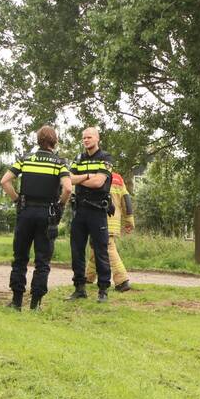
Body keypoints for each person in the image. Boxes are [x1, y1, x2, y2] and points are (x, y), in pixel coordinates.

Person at [1, 125, 72, 311]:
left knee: (20, 258)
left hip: (25, 212)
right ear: (54, 141)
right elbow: (68, 188)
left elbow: (4, 181)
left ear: (38, 140)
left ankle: (16, 301)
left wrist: (17, 199)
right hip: (47, 215)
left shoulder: (25, 159)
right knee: (42, 260)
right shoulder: (59, 162)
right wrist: (60, 205)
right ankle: (35, 304)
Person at [68, 126, 114, 303]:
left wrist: (82, 178)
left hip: (97, 210)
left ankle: (103, 290)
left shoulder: (106, 158)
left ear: (97, 139)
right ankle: (79, 289)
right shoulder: (78, 157)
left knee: (101, 250)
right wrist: (88, 176)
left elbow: (99, 182)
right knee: (77, 251)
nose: (86, 140)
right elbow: (68, 179)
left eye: (89, 137)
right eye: (84, 138)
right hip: (79, 210)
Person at [87, 171, 134, 292]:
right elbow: (126, 200)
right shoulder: (118, 178)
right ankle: (88, 277)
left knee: (109, 249)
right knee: (94, 247)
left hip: (101, 220)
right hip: (113, 221)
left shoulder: (96, 177)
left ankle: (122, 281)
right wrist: (129, 220)